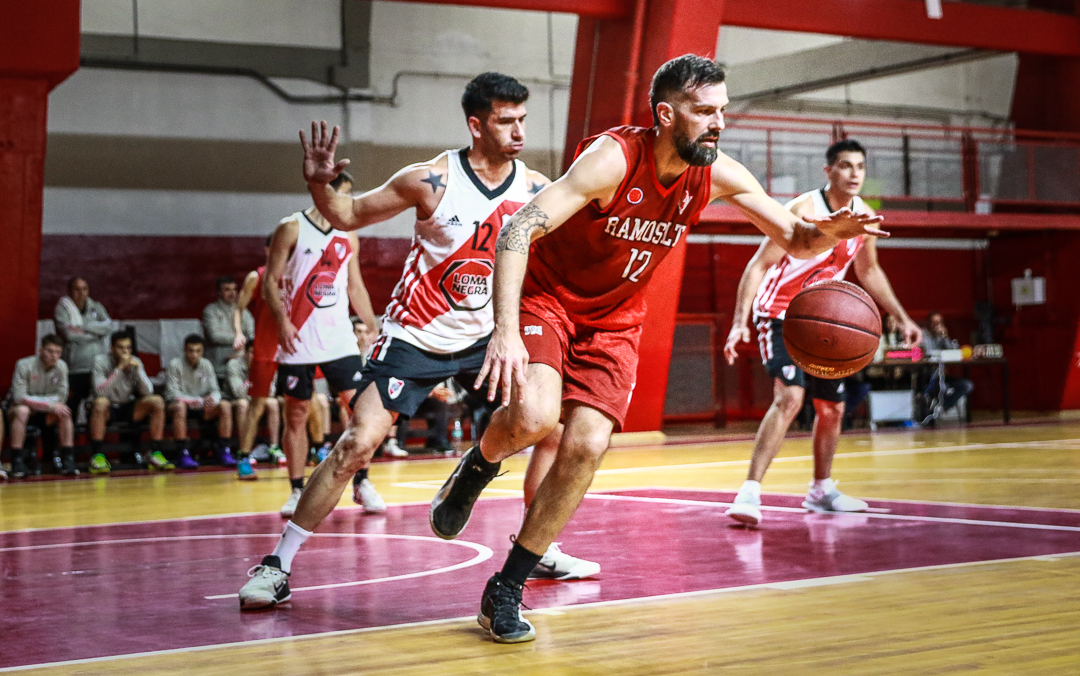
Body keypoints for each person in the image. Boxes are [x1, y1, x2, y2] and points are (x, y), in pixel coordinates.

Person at [423, 55, 888, 643]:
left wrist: (830, 233)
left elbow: (795, 238)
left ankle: (506, 588)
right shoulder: (613, 159)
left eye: (722, 110)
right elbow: (519, 230)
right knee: (536, 418)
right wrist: (507, 330)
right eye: (704, 111)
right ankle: (479, 465)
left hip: (615, 320)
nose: (719, 123)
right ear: (667, 114)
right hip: (550, 298)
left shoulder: (717, 172)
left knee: (588, 444)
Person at [237, 72, 598, 611]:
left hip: (489, 336)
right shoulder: (429, 180)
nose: (519, 131)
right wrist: (319, 186)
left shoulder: (535, 190)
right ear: (476, 125)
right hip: (416, 335)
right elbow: (349, 213)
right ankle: (277, 564)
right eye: (506, 121)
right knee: (357, 443)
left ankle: (538, 546)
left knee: (550, 427)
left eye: (523, 119)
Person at [722, 139, 922, 526]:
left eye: (860, 167)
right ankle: (749, 491)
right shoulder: (803, 210)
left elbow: (869, 271)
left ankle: (821, 490)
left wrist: (902, 317)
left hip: (823, 319)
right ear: (828, 171)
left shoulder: (866, 217)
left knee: (832, 408)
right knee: (790, 398)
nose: (854, 173)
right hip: (779, 314)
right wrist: (738, 322)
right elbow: (758, 264)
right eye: (845, 166)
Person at [261, 168, 378, 520]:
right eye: (343, 194)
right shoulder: (291, 227)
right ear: (324, 193)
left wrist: (372, 324)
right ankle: (297, 489)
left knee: (359, 410)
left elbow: (355, 285)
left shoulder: (348, 234)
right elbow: (270, 281)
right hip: (298, 335)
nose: (347, 201)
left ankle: (362, 482)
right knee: (296, 413)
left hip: (338, 338)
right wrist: (282, 322)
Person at [233, 235, 285, 479]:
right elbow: (238, 309)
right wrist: (238, 333)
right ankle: (244, 457)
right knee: (257, 405)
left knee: (306, 402)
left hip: (293, 348)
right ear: (267, 250)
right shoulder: (257, 277)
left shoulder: (297, 275)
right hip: (265, 348)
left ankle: (316, 450)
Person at [90, 332, 169, 474]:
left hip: (128, 406)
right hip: (108, 408)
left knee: (157, 401)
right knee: (100, 403)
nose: (125, 352)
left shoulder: (136, 361)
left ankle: (155, 453)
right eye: (121, 348)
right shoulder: (100, 361)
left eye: (128, 348)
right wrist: (119, 369)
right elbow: (100, 392)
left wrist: (138, 371)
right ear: (112, 348)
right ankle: (98, 456)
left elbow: (148, 391)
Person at [6, 334, 75, 478]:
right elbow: (19, 397)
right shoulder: (24, 364)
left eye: (58, 352)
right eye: (50, 351)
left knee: (65, 411)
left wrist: (40, 403)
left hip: (45, 413)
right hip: (20, 411)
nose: (54, 356)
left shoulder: (62, 366)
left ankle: (68, 459)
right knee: (23, 410)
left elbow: (61, 397)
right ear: (41, 350)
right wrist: (49, 404)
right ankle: (17, 460)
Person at [165, 333, 235, 469]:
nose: (194, 354)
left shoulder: (206, 364)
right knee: (180, 407)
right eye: (191, 351)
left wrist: (213, 399)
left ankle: (224, 450)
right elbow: (172, 394)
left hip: (203, 407)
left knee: (225, 405)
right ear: (184, 350)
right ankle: (183, 453)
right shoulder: (175, 364)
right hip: (181, 406)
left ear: (202, 351)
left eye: (198, 351)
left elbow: (215, 390)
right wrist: (195, 400)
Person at [54, 276, 113, 415]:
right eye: (77, 289)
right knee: (71, 407)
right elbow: (69, 335)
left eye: (84, 289)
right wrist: (96, 333)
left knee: (96, 407)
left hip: (96, 368)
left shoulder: (97, 307)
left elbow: (108, 326)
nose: (81, 292)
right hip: (74, 369)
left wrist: (82, 327)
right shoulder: (62, 309)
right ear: (69, 291)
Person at [224, 343, 279, 480]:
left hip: (257, 397)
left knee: (273, 403)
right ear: (245, 353)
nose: (254, 356)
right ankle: (244, 451)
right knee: (243, 404)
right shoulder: (234, 365)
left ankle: (274, 447)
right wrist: (256, 384)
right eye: (251, 352)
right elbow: (238, 392)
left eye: (257, 353)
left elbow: (271, 391)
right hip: (234, 400)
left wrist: (253, 387)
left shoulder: (268, 363)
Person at [921, 311, 974, 416]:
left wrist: (945, 337)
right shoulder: (923, 335)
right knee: (942, 388)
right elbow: (927, 353)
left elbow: (954, 353)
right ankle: (934, 409)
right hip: (929, 377)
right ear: (928, 323)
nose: (937, 325)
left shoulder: (941, 336)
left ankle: (943, 407)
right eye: (934, 322)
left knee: (967, 385)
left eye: (939, 322)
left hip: (943, 377)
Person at [204, 276, 254, 380]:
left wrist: (243, 341)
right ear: (219, 292)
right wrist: (239, 339)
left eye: (234, 289)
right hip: (218, 366)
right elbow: (215, 336)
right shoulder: (210, 310)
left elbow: (252, 336)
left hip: (241, 365)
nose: (232, 293)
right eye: (227, 290)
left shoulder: (244, 311)